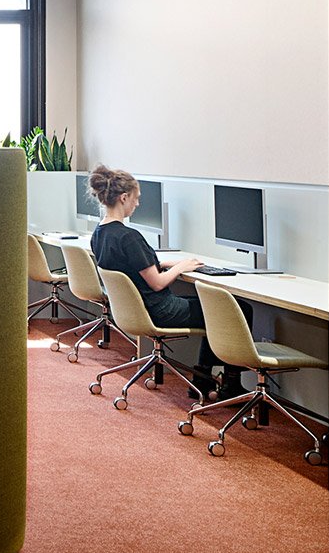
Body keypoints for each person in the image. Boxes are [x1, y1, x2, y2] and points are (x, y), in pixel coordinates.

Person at [86, 164, 250, 399]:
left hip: (138, 309)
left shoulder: (100, 234)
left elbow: (129, 267)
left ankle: (203, 379)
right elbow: (157, 283)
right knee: (236, 309)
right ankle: (228, 385)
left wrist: (163, 263)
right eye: (136, 198)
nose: (138, 204)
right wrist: (183, 266)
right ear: (124, 197)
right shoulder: (129, 237)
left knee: (214, 308)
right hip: (161, 310)